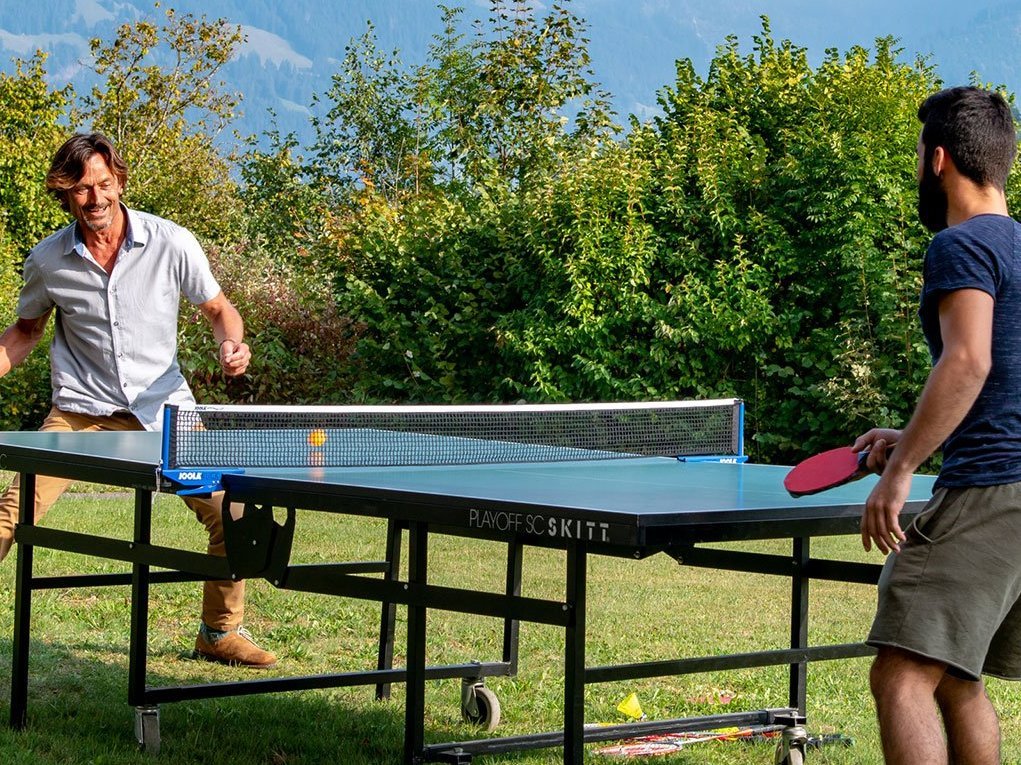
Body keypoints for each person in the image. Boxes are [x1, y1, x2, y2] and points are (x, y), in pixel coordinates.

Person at [0, 133, 276, 668]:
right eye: (81, 189)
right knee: (10, 513)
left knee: (234, 511)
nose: (95, 198)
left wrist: (231, 344)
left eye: (103, 184)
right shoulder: (48, 260)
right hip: (80, 412)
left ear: (120, 182)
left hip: (165, 413)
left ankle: (219, 634)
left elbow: (220, 308)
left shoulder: (171, 242)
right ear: (65, 195)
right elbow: (26, 331)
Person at [854, 86, 1020, 765]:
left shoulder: (959, 245)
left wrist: (900, 472)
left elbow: (968, 359)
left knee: (899, 674)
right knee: (956, 678)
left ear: (939, 160)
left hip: (988, 489)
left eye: (918, 152)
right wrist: (919, 435)